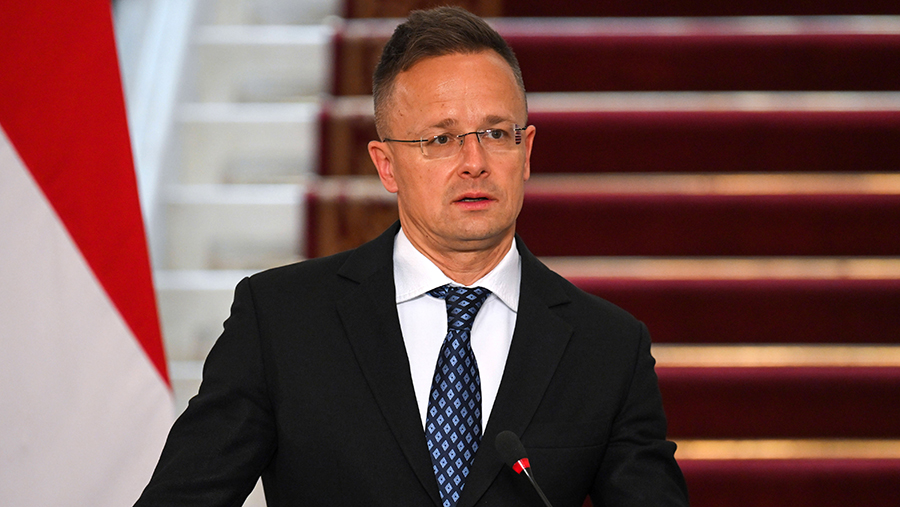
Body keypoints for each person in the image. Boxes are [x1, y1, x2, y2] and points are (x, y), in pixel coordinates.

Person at [135, 6, 688, 507]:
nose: (474, 161)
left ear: (526, 153)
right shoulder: (281, 320)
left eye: (497, 133)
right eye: (440, 140)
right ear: (386, 165)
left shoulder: (607, 348)